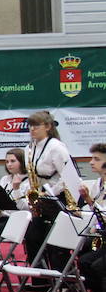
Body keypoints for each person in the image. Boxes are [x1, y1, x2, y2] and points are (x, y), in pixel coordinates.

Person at [23, 110, 84, 271]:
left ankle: (65, 282)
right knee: (32, 236)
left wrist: (50, 193)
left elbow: (68, 177)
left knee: (56, 243)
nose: (32, 129)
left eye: (36, 126)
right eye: (30, 126)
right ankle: (40, 278)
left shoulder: (56, 147)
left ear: (48, 126)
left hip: (60, 197)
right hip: (43, 197)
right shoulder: (29, 148)